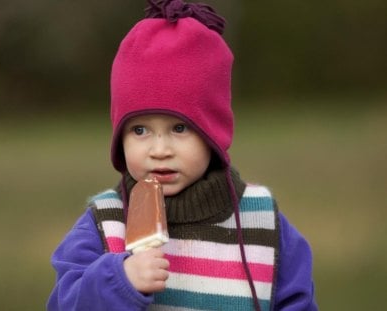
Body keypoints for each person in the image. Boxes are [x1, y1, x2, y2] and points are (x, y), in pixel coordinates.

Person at [47, 0, 318, 310]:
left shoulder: (263, 223)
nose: (160, 150)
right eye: (139, 130)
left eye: (179, 128)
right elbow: (63, 303)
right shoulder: (105, 223)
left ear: (212, 134)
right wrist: (117, 280)